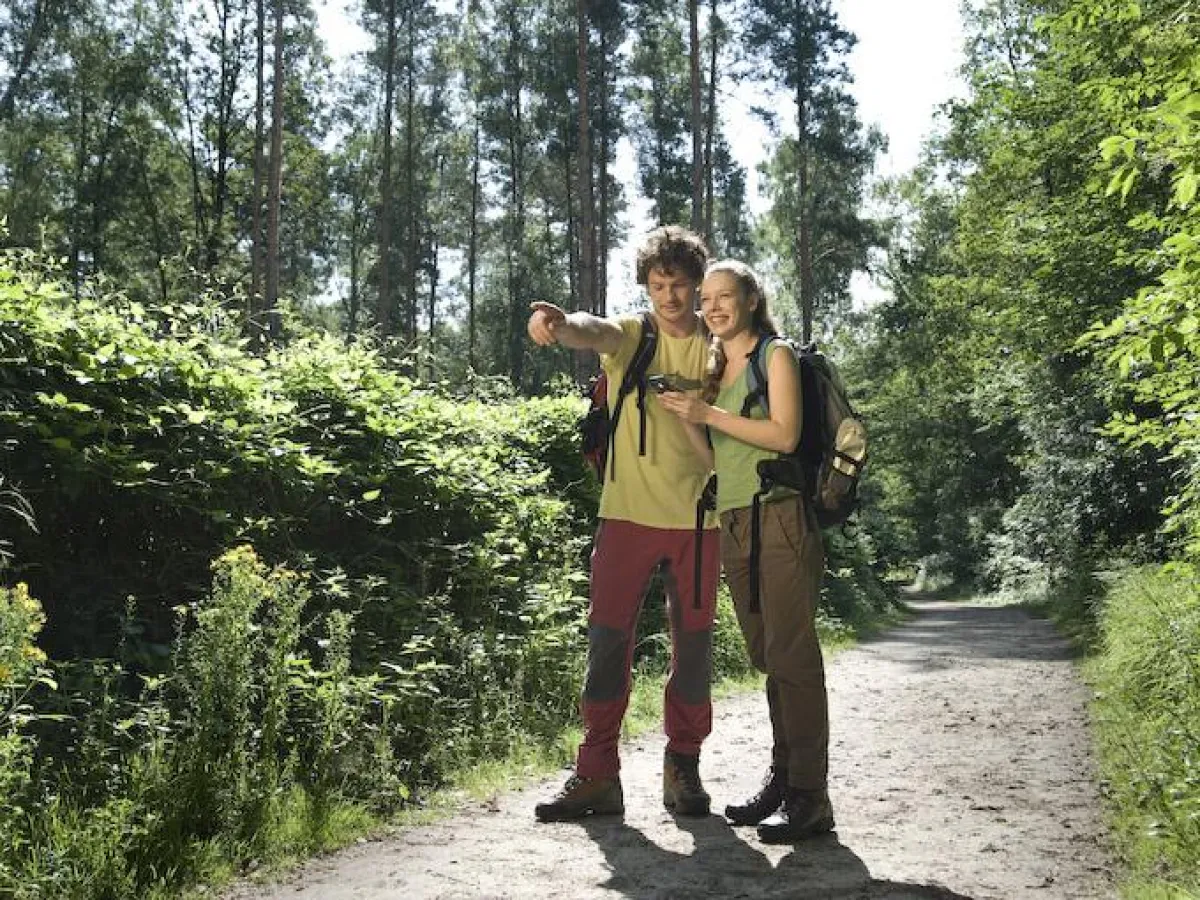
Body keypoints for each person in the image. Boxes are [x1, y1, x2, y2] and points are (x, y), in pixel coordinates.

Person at [527, 226, 720, 822]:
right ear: (647, 287)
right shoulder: (634, 336)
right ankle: (596, 774)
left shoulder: (718, 344)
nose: (669, 296)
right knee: (608, 643)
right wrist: (560, 324)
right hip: (626, 517)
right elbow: (596, 329)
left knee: (693, 650)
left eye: (679, 285)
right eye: (658, 285)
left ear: (696, 285)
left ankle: (683, 767)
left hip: (699, 520)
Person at [657, 259, 833, 843]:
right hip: (734, 521)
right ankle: (783, 781)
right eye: (705, 299)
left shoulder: (773, 356)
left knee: (793, 657)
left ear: (751, 300)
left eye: (723, 296)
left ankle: (810, 795)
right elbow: (719, 459)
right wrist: (687, 415)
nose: (711, 308)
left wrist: (708, 412)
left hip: (779, 516)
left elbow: (784, 434)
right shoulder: (717, 368)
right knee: (767, 655)